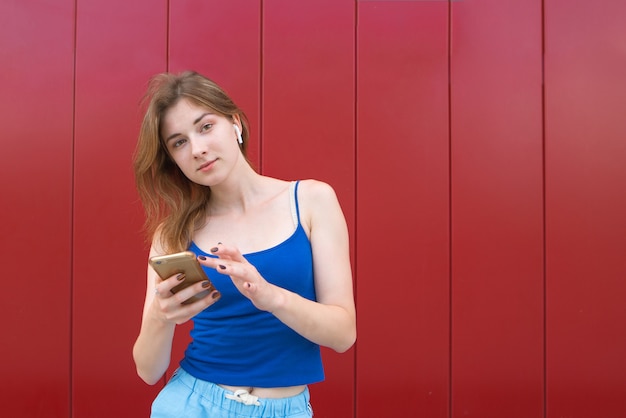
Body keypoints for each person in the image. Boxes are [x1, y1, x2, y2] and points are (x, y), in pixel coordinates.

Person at [132, 71, 356, 418]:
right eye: (179, 142)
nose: (198, 149)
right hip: (191, 404)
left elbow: (343, 334)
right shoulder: (173, 233)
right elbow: (148, 371)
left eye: (205, 126)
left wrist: (271, 297)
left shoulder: (312, 200)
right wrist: (161, 318)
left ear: (234, 123)